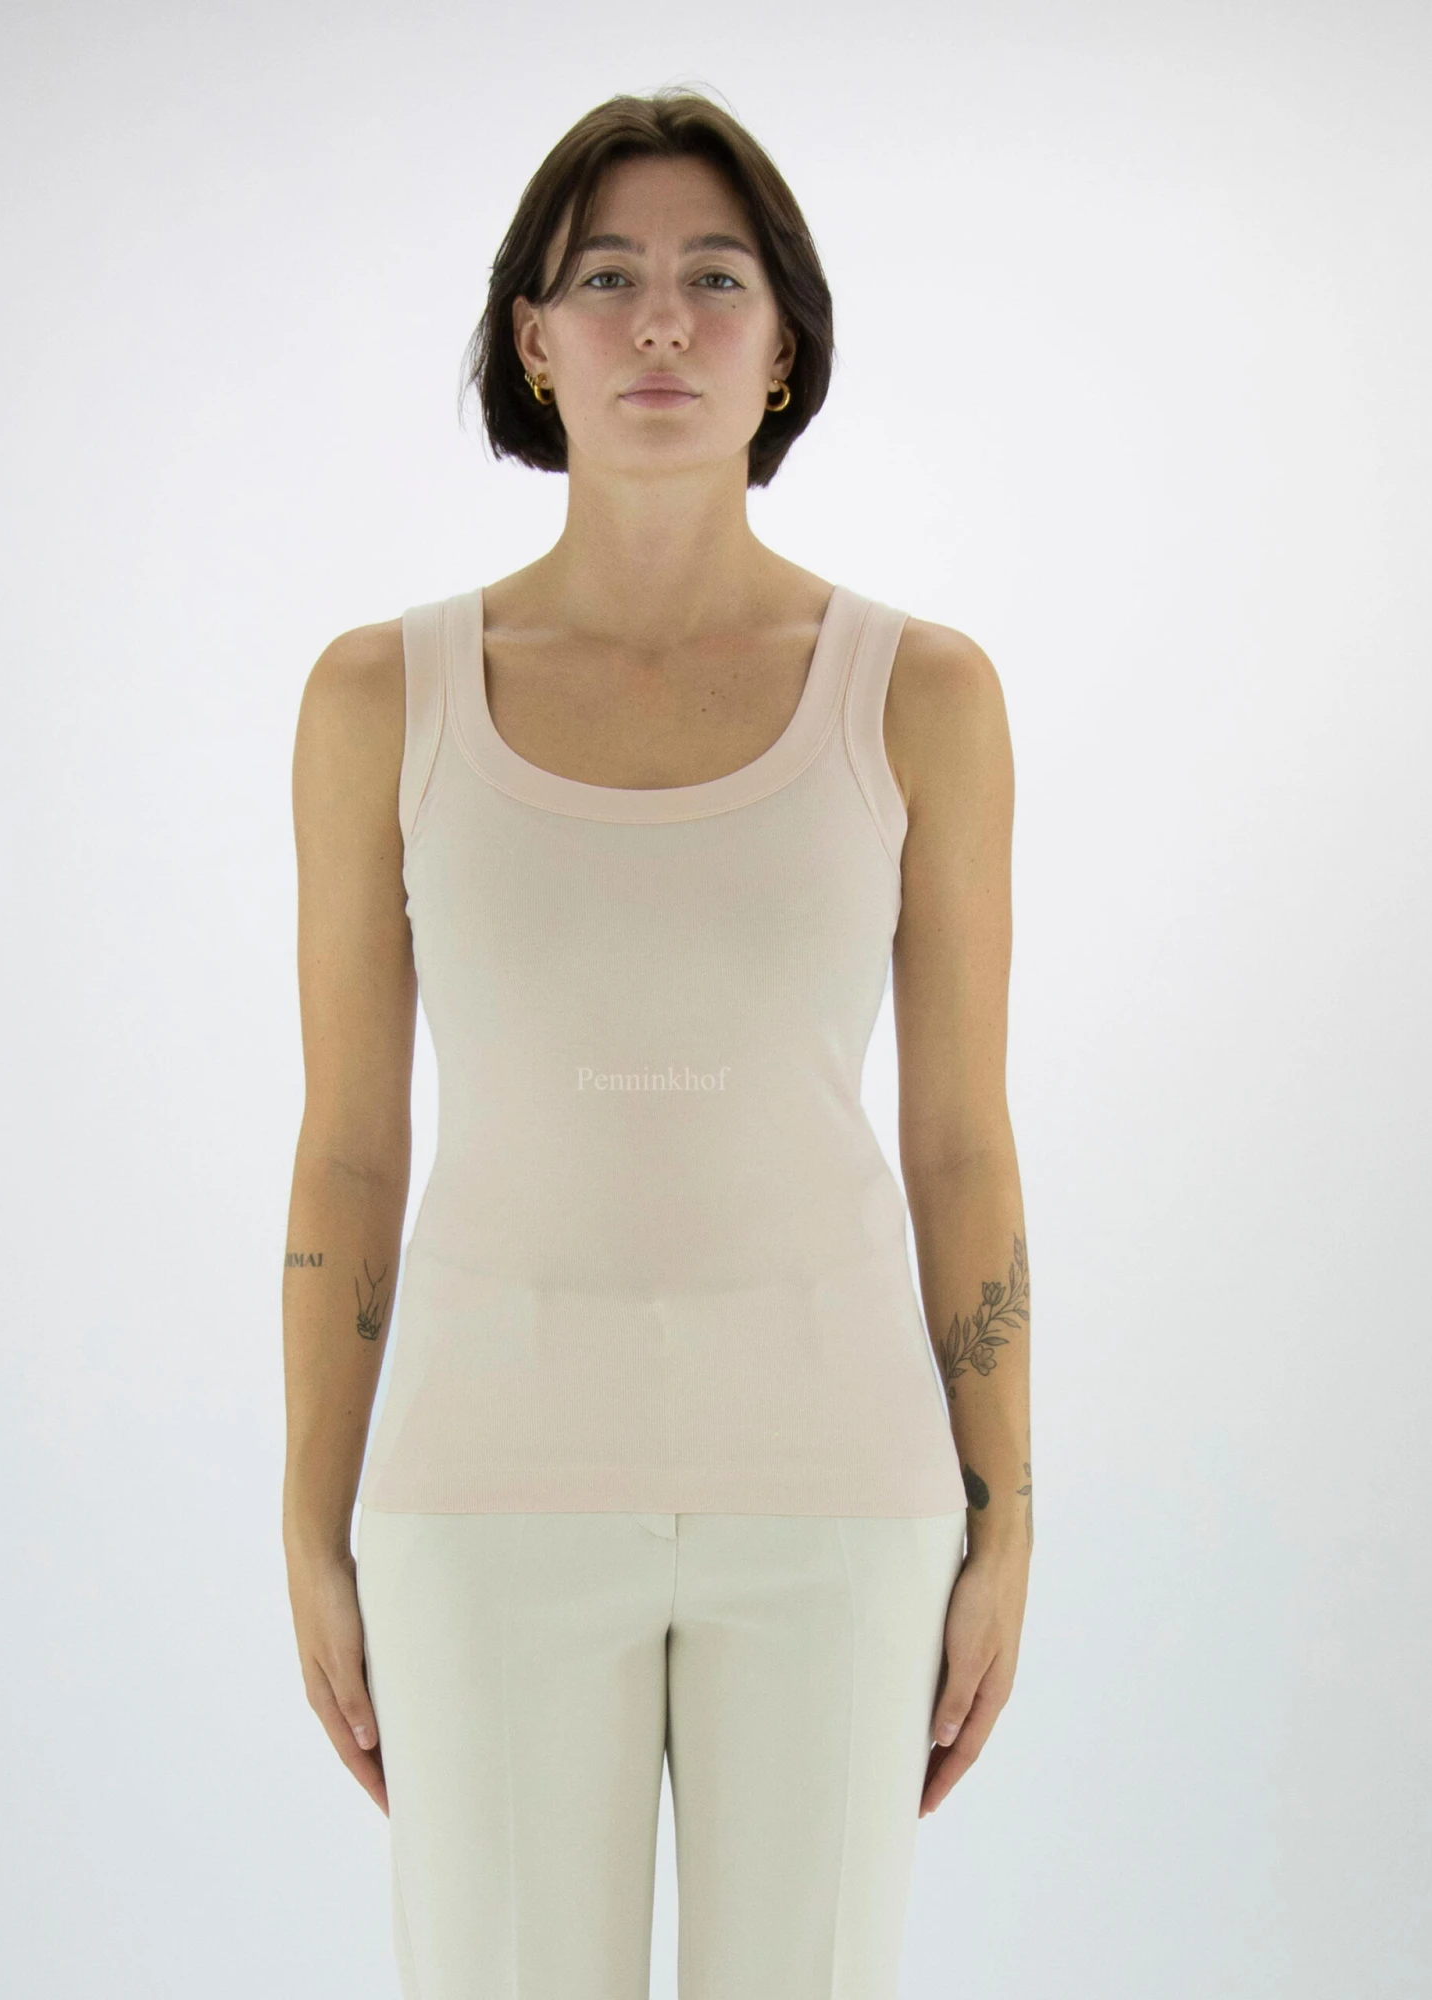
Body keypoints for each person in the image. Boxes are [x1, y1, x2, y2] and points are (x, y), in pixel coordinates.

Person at [281, 85, 1031, 2000]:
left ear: (785, 344)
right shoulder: (383, 697)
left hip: (843, 1495)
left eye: (717, 277)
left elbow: (960, 1138)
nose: (663, 322)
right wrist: (311, 1520)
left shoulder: (920, 695)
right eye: (606, 279)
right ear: (534, 341)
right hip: (482, 1495)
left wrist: (1006, 1521)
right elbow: (350, 1144)